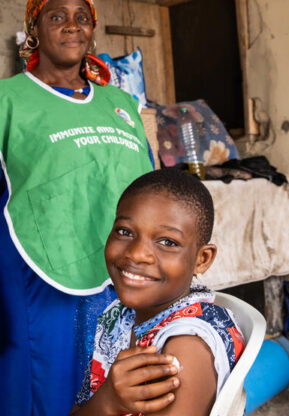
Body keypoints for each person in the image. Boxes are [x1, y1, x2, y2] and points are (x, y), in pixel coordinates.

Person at [0, 0, 154, 415]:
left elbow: (150, 192)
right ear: (34, 32)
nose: (71, 26)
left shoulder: (121, 105)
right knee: (39, 388)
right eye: (56, 17)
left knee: (111, 389)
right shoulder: (0, 103)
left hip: (119, 281)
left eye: (82, 17)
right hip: (34, 283)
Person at [73, 168, 246, 416]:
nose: (136, 253)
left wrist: (107, 404)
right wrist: (107, 401)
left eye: (167, 242)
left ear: (202, 259)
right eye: (124, 231)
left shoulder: (185, 347)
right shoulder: (119, 317)